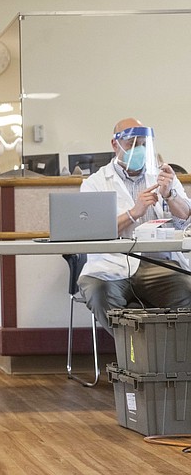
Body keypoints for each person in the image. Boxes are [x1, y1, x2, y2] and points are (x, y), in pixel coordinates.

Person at [77, 118, 191, 335]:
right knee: (98, 294)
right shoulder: (95, 182)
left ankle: (172, 360)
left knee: (188, 291)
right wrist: (133, 213)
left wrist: (170, 195)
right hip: (111, 266)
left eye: (143, 145)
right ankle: (135, 356)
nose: (138, 150)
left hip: (159, 264)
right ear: (115, 145)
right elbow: (92, 230)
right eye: (132, 144)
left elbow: (185, 217)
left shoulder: (163, 176)